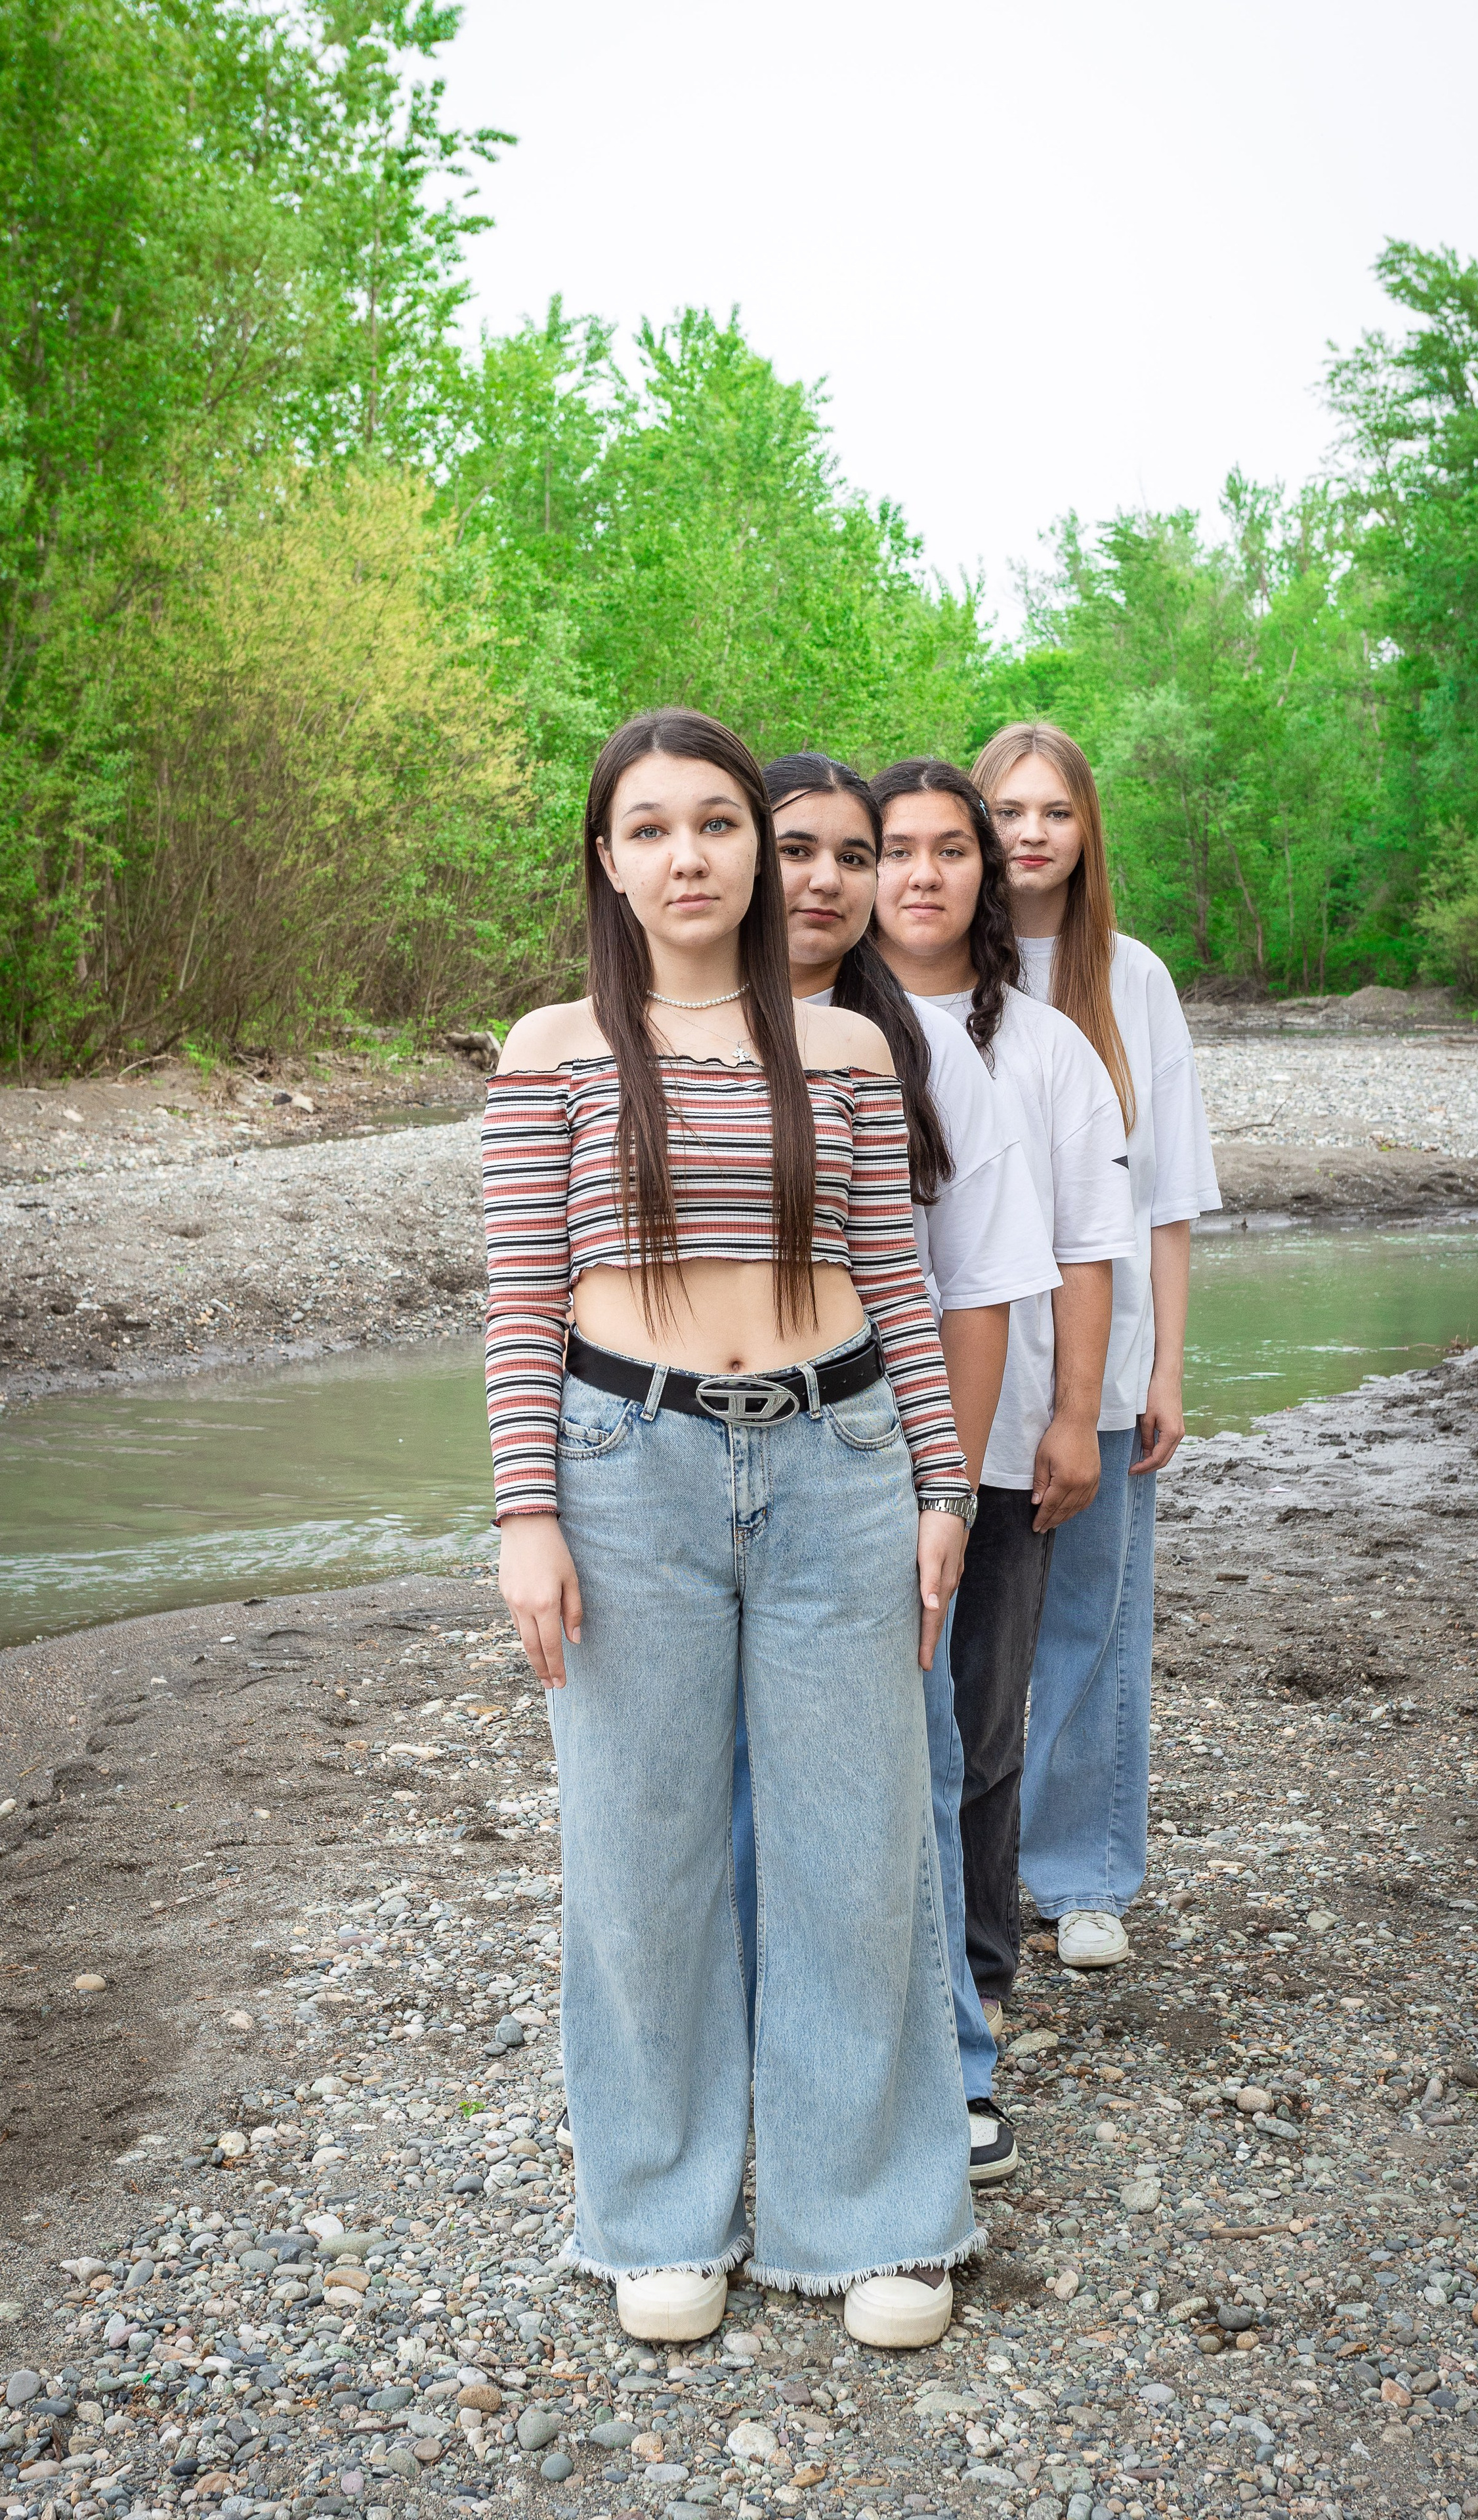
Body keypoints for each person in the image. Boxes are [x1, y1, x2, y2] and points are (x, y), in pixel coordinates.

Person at [484, 707, 979, 2352]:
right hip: (627, 1468)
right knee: (641, 1852)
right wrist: (524, 1516)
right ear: (607, 862)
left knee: (860, 1841)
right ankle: (657, 2211)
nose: (689, 854)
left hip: (836, 1458)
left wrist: (938, 1482)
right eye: (651, 828)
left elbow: (898, 1284)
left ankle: (872, 2216)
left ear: (757, 855)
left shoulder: (840, 1047)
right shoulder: (549, 1049)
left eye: (716, 823)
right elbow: (516, 1308)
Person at [729, 749, 1061, 2186]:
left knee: (912, 1776)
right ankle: (757, 2064)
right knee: (732, 1787)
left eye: (847, 856)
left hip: (887, 1466)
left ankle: (948, 2065)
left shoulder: (929, 1059)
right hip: (703, 1471)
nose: (821, 881)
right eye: (792, 848)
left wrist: (954, 1492)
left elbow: (974, 1294)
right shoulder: (675, 1036)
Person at [869, 757, 1136, 2028]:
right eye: (892, 848)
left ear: (984, 873)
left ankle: (972, 1989)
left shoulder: (1046, 1047)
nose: (919, 874)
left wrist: (1072, 1416)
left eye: (947, 849)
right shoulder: (814, 1031)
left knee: (979, 1729)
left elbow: (1089, 1244)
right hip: (844, 1444)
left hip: (999, 1442)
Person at [972, 722, 1221, 1969]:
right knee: (959, 1623)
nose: (1029, 833)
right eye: (1007, 809)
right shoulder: (917, 962)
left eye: (1053, 812)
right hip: (960, 1360)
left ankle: (1080, 1876)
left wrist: (1167, 1363)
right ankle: (962, 1869)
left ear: (1086, 830)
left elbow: (1166, 1195)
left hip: (1099, 1356)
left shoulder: (1134, 979)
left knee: (1092, 1620)